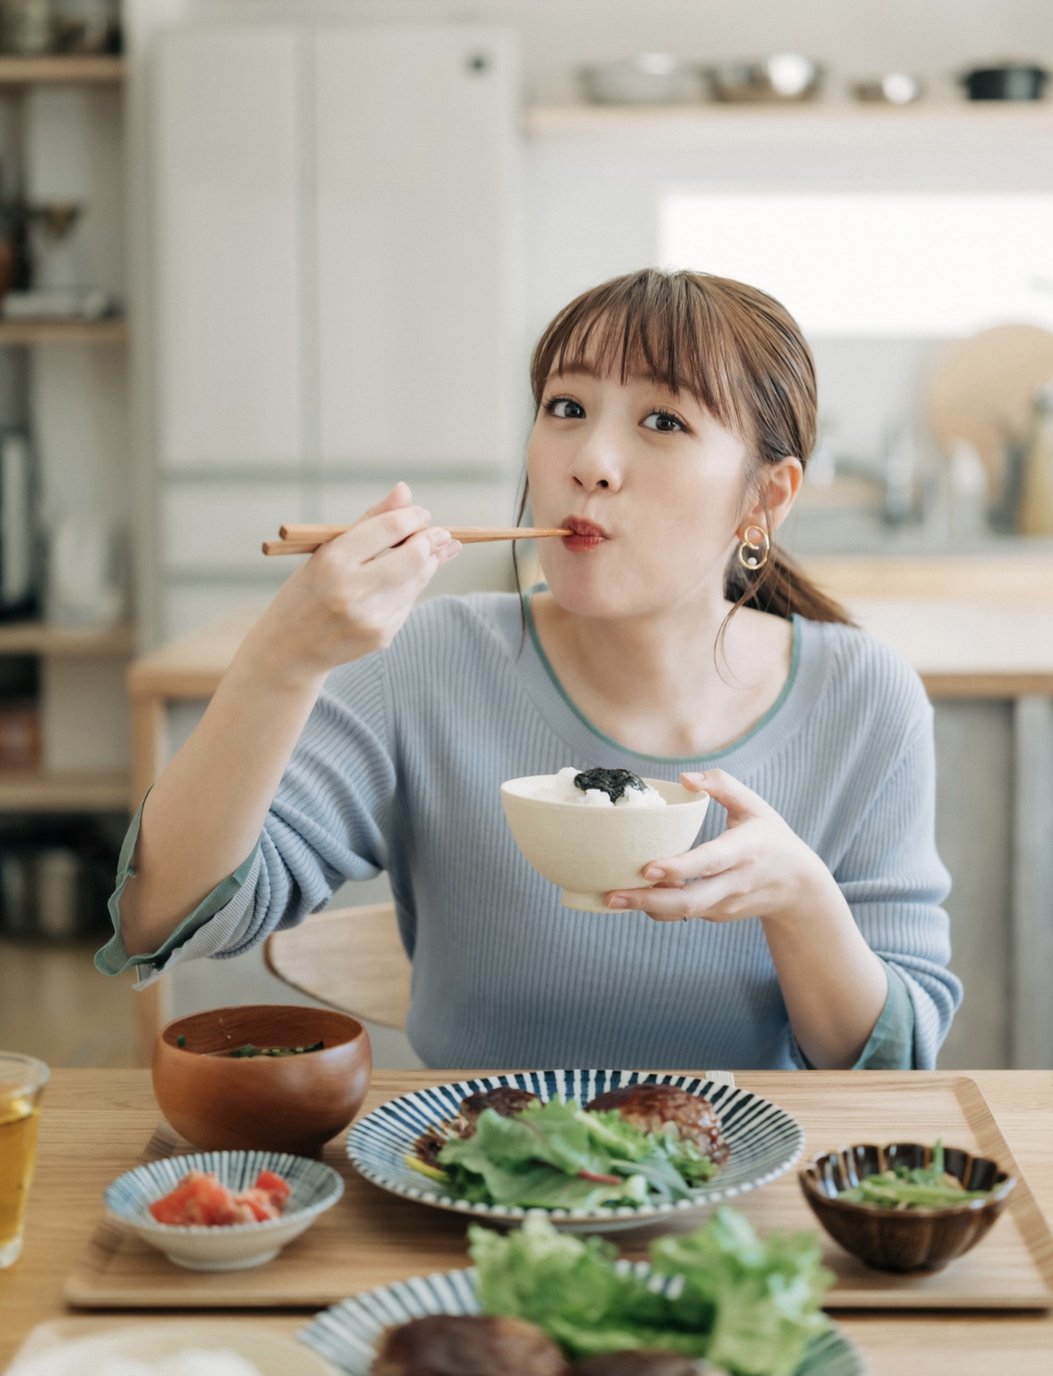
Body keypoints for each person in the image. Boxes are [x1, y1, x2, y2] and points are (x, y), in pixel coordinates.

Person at [98, 267, 961, 1071]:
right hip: (472, 1195)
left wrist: (803, 902)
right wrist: (281, 661)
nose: (588, 460)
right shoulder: (428, 665)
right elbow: (160, 917)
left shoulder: (864, 702)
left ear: (763, 498)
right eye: (564, 406)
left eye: (662, 421)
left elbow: (892, 1065)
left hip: (746, 1219)